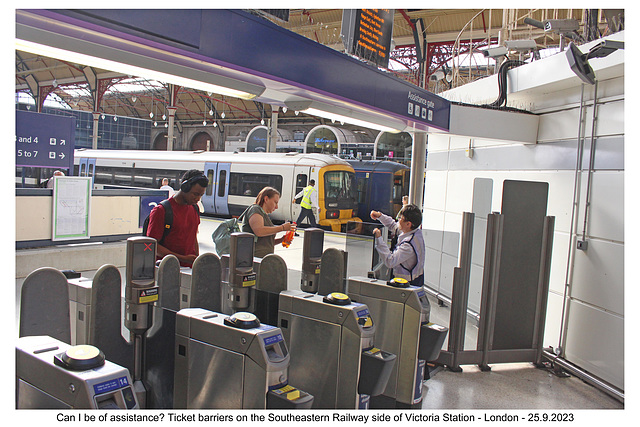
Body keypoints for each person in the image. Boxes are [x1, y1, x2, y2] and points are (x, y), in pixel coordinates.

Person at [146, 169, 208, 267]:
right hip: (166, 270)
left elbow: (193, 237)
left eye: (201, 195)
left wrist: (196, 259)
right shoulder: (161, 211)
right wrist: (183, 258)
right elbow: (151, 245)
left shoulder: (195, 208)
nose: (198, 199)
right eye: (195, 194)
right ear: (185, 187)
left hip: (189, 270)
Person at [371, 204, 425, 287]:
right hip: (411, 280)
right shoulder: (414, 232)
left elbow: (390, 261)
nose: (398, 220)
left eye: (401, 218)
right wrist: (380, 216)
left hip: (407, 284)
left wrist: (379, 239)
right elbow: (393, 226)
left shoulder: (408, 245)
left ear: (408, 224)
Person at [243, 186, 295, 258]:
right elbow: (259, 231)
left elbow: (265, 243)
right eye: (275, 202)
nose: (277, 207)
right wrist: (282, 227)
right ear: (266, 199)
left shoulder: (264, 215)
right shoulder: (255, 209)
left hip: (263, 258)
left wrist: (281, 240)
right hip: (253, 259)